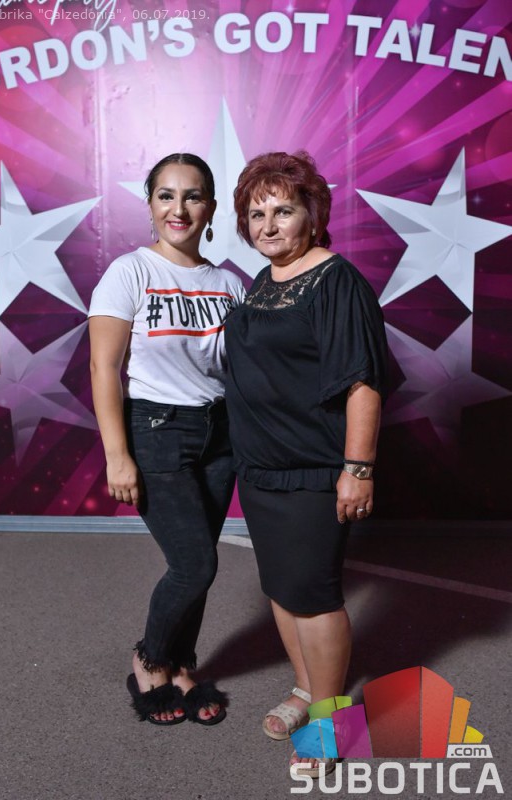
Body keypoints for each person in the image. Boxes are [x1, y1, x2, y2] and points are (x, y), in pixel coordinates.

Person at [224, 151, 388, 774]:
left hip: (314, 469)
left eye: (283, 210)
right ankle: (304, 688)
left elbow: (362, 383)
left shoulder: (336, 281)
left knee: (315, 596)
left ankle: (331, 718)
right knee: (281, 588)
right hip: (260, 469)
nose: (268, 225)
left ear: (313, 215)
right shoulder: (263, 282)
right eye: (256, 214)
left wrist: (358, 469)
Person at [89, 153, 245, 727]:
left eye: (193, 196)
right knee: (194, 563)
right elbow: (104, 368)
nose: (179, 208)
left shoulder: (229, 284)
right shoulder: (129, 272)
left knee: (201, 561)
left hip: (220, 433)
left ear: (210, 208)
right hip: (157, 430)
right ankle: (149, 659)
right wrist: (117, 456)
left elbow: (244, 371)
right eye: (166, 195)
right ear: (150, 204)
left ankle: (181, 664)